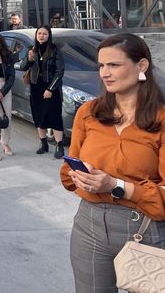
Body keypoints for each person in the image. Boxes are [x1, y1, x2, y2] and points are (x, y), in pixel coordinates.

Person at [59, 33, 165, 292]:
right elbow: (67, 169)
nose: (105, 73)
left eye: (114, 65)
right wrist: (79, 176)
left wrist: (115, 184)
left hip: (145, 228)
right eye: (101, 66)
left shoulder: (161, 120)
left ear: (141, 66)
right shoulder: (89, 113)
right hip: (89, 226)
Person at [20, 25, 66, 158]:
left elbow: (60, 71)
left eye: (44, 34)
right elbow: (23, 67)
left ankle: (59, 146)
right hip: (36, 87)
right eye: (39, 33)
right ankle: (43, 144)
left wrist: (50, 88)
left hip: (51, 87)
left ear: (49, 36)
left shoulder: (54, 50)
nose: (41, 36)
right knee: (39, 116)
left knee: (55, 117)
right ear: (36, 35)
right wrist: (29, 59)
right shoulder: (31, 49)